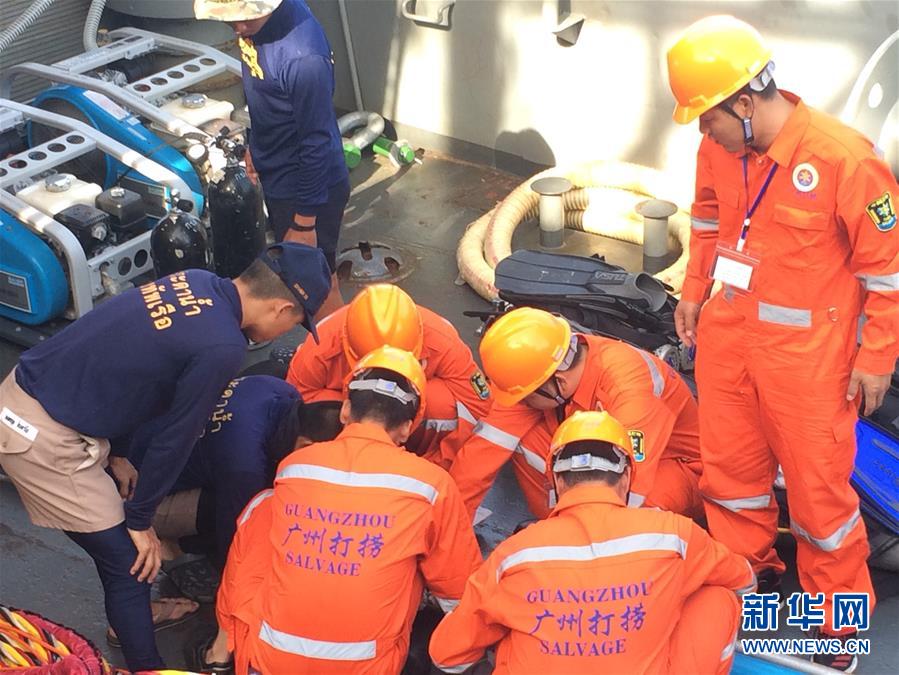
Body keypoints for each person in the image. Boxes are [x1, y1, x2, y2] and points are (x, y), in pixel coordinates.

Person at [666, 15, 899, 670]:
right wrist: (693, 289)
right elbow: (707, 217)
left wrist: (876, 356)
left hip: (810, 365)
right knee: (730, 480)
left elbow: (887, 272)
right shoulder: (719, 148)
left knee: (821, 502)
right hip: (728, 343)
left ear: (744, 103)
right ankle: (748, 583)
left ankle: (838, 632)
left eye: (707, 117)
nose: (702, 132)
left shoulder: (844, 159)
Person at [0, 243, 331, 672]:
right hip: (40, 435)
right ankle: (147, 665)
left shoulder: (197, 283)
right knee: (131, 562)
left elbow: (135, 369)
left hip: (37, 391)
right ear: (282, 308)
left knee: (130, 561)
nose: (286, 331)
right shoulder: (224, 346)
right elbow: (176, 436)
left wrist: (118, 453)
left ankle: (134, 615)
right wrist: (140, 521)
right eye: (295, 323)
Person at [213, 346, 482, 674]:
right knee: (416, 554)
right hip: (367, 666)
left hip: (268, 658)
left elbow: (251, 563)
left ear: (345, 411)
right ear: (406, 428)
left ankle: (220, 648)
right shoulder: (432, 485)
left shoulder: (294, 467)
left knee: (264, 510)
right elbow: (458, 592)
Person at [430, 410, 754, 674]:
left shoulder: (513, 557)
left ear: (557, 481)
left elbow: (448, 656)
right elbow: (743, 581)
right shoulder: (673, 536)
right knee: (718, 598)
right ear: (626, 477)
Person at [450, 307, 703, 521]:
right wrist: (448, 524)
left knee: (638, 510)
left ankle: (588, 544)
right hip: (596, 455)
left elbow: (629, 484)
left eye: (526, 398)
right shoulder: (542, 370)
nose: (522, 404)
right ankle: (558, 524)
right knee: (520, 437)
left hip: (671, 466)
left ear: (558, 383)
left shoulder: (630, 386)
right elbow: (484, 451)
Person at [195, 0, 350, 317]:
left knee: (318, 284)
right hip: (279, 172)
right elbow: (263, 92)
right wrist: (256, 143)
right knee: (300, 279)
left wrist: (304, 223)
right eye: (230, 20)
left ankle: (339, 347)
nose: (239, 28)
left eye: (247, 18)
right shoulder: (257, 26)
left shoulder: (304, 58)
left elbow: (316, 141)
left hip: (306, 185)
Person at [287, 284, 493, 470]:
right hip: (349, 432)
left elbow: (478, 409)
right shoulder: (319, 346)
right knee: (317, 407)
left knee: (442, 404)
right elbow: (293, 412)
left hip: (412, 435)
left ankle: (414, 456)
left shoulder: (443, 341)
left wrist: (431, 467)